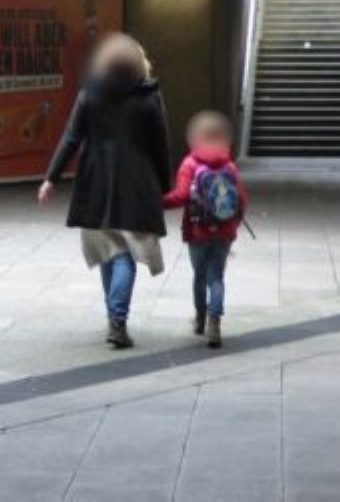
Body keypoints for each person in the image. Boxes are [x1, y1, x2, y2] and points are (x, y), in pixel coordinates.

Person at [38, 33, 171, 349]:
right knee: (125, 254)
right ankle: (117, 320)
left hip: (95, 183)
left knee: (107, 252)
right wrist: (165, 185)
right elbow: (161, 144)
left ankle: (113, 316)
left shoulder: (89, 94)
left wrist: (50, 178)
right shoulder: (149, 96)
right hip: (137, 185)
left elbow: (71, 138)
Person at [162, 111, 248, 349]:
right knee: (216, 277)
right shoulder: (229, 165)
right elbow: (242, 200)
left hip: (197, 231)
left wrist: (157, 202)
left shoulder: (190, 164)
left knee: (200, 276)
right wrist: (232, 227)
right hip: (224, 233)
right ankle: (215, 323)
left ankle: (200, 319)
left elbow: (180, 196)